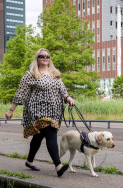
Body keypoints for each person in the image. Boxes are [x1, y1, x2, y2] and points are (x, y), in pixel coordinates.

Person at [5, 48, 75, 177]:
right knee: (51, 134)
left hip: (54, 111)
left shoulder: (55, 73)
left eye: (47, 56)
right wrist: (11, 110)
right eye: (42, 56)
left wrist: (68, 98)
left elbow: (63, 90)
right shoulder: (31, 74)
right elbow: (20, 93)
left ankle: (29, 161)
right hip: (37, 110)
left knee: (39, 136)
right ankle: (58, 166)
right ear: (37, 58)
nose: (45, 58)